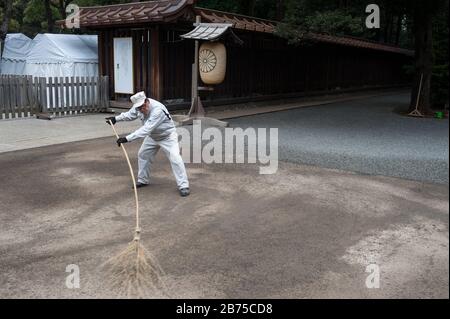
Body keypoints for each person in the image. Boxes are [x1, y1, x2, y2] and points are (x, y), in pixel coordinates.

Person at [106, 91, 190, 197]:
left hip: (167, 136)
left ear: (146, 101)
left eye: (142, 106)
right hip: (152, 136)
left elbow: (146, 129)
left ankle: (183, 186)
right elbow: (130, 115)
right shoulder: (138, 107)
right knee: (143, 154)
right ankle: (143, 180)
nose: (141, 109)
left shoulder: (157, 109)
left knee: (175, 158)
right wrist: (115, 119)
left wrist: (127, 138)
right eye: (138, 108)